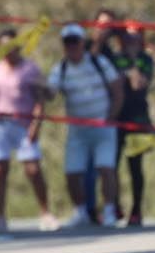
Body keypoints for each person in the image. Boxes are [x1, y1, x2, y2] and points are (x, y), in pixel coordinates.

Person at [44, 23, 124, 227]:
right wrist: (38, 87)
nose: (71, 46)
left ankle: (108, 210)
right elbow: (51, 93)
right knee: (72, 172)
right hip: (78, 129)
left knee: (106, 169)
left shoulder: (98, 62)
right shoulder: (60, 68)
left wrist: (111, 116)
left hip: (103, 125)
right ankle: (80, 211)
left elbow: (117, 89)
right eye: (67, 42)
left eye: (75, 41)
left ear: (82, 42)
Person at [0, 29, 56, 233]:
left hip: (23, 123)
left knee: (33, 169)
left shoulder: (30, 69)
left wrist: (35, 125)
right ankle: (0, 217)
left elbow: (41, 99)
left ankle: (45, 212)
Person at [112, 29, 155, 226]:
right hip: (117, 118)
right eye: (127, 38)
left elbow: (140, 84)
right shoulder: (114, 58)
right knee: (111, 165)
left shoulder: (145, 60)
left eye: (135, 38)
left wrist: (132, 65)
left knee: (135, 167)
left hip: (138, 119)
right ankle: (114, 205)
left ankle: (136, 209)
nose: (131, 41)